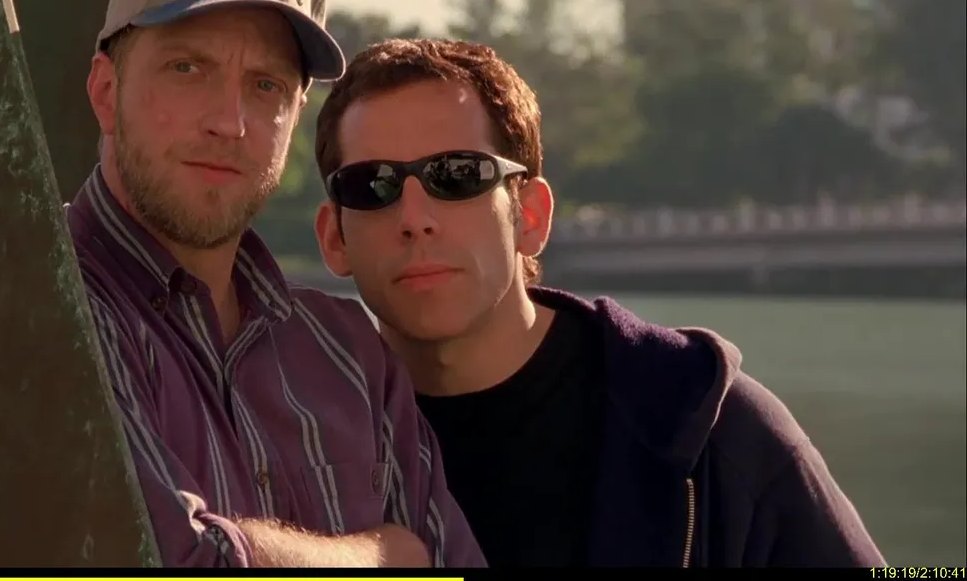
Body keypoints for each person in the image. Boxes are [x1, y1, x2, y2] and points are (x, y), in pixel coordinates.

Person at [310, 38, 886, 568]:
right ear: (334, 238)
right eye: (373, 185)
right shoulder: (293, 440)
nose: (414, 219)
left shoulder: (704, 426)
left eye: (458, 176)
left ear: (530, 217)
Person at [66, 0, 484, 569]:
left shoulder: (349, 354)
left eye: (266, 85)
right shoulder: (45, 302)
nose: (230, 122)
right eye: (187, 68)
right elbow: (174, 562)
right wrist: (383, 556)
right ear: (104, 90)